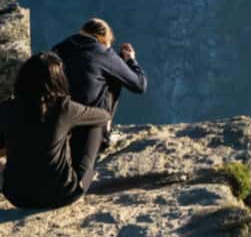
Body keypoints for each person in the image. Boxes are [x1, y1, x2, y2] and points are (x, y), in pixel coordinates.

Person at [0, 52, 112, 210]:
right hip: (64, 195)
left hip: (17, 197)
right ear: (58, 79)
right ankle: (86, 173)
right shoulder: (63, 107)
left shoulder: (6, 108)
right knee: (94, 124)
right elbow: (104, 116)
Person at [53, 18, 146, 184]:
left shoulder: (60, 47)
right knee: (114, 78)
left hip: (59, 116)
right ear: (104, 38)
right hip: (91, 118)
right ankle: (105, 133)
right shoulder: (103, 52)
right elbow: (139, 85)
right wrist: (131, 60)